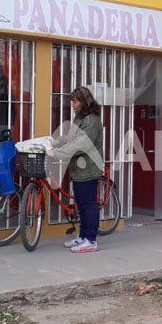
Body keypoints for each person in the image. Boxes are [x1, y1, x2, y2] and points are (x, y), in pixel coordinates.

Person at [47, 86, 104, 253]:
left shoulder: (92, 120)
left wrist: (57, 152)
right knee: (81, 203)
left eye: (75, 101)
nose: (72, 104)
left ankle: (91, 240)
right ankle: (83, 236)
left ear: (84, 102)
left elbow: (82, 144)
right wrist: (58, 141)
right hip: (78, 169)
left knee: (88, 204)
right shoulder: (79, 118)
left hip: (89, 168)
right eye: (71, 101)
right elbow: (73, 138)